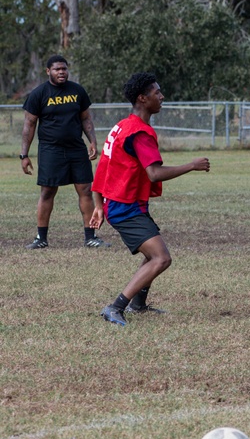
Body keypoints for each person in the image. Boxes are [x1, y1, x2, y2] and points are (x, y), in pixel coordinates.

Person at [89, 73, 210, 325]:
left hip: (123, 204)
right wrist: (192, 165)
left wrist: (99, 205)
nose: (162, 96)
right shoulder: (139, 133)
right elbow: (154, 174)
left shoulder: (121, 126)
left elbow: (103, 168)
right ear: (143, 99)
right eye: (156, 93)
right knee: (161, 258)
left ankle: (138, 304)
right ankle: (115, 307)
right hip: (125, 208)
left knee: (151, 253)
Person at [20, 55, 109, 249]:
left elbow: (86, 119)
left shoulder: (77, 91)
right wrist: (24, 155)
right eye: (57, 69)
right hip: (50, 149)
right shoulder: (39, 94)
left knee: (85, 189)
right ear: (48, 71)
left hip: (76, 148)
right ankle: (41, 238)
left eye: (64, 69)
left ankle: (90, 237)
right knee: (48, 191)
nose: (61, 72)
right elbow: (29, 124)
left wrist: (92, 141)